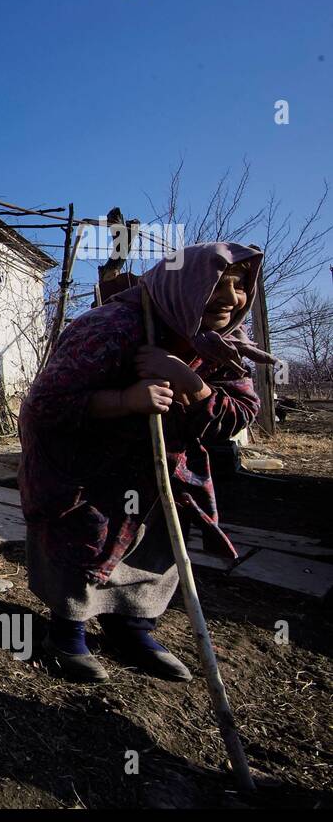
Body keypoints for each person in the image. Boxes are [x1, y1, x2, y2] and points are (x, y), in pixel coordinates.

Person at [18, 242, 272, 682]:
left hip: (159, 469)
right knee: (84, 542)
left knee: (153, 546)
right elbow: (46, 404)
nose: (232, 298)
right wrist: (125, 400)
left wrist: (189, 379)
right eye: (219, 284)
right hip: (86, 467)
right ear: (186, 284)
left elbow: (241, 414)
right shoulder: (110, 328)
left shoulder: (224, 344)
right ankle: (66, 633)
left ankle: (132, 628)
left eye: (240, 286)